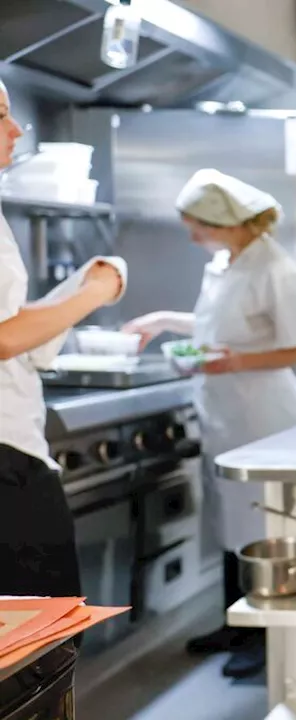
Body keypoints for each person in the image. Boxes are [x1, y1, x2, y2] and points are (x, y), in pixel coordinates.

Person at [123, 169, 296, 678]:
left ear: (225, 222)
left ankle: (263, 635)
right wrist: (163, 319)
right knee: (228, 521)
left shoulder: (276, 268)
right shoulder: (224, 263)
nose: (192, 237)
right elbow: (215, 326)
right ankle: (235, 623)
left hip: (262, 413)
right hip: (223, 410)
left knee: (259, 522)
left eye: (196, 226)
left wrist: (231, 363)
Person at [1, 78, 126, 599]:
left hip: (16, 448)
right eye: (0, 115)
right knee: (44, 644)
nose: (16, 128)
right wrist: (95, 290)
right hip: (7, 462)